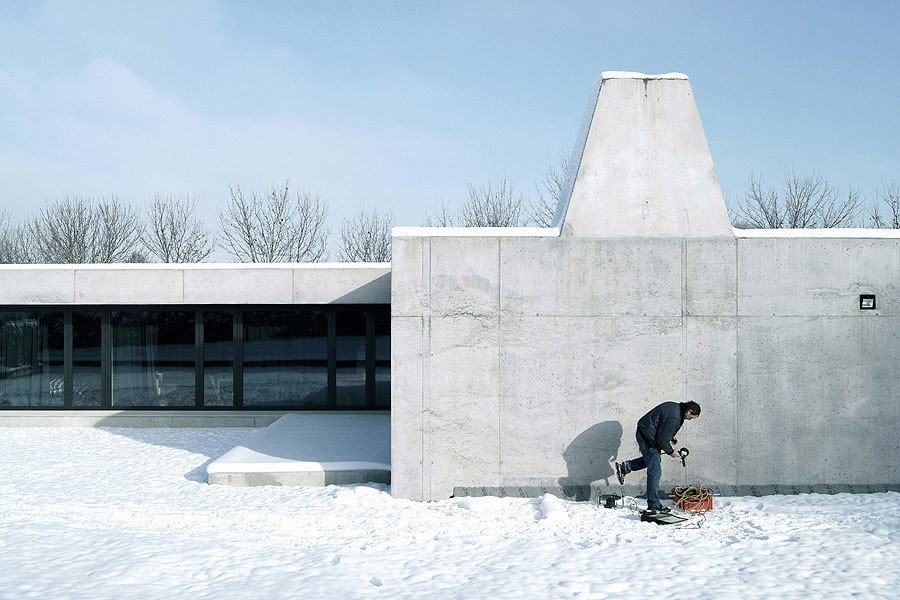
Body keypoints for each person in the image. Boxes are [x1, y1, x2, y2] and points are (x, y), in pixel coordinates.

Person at [615, 401, 701, 513]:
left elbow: (663, 424)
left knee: (653, 461)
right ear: (689, 411)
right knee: (655, 471)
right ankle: (653, 505)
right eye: (691, 417)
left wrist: (671, 435)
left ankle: (626, 467)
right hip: (646, 436)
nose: (690, 419)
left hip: (648, 432)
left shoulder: (677, 408)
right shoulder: (674, 416)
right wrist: (671, 452)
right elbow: (662, 440)